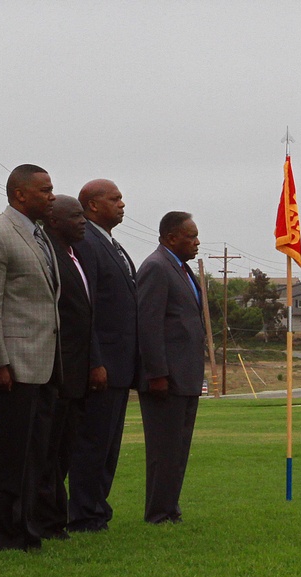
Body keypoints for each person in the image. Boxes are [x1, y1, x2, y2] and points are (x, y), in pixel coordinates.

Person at [0, 164, 60, 551]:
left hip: (44, 361)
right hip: (15, 363)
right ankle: (7, 533)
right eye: (44, 190)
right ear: (20, 194)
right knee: (12, 453)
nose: (51, 196)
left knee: (37, 450)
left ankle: (30, 525)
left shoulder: (39, 236)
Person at [68, 179, 138, 533]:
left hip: (121, 365)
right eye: (115, 199)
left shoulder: (114, 245)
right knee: (93, 442)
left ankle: (97, 508)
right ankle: (84, 513)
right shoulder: (86, 242)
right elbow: (87, 308)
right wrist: (95, 360)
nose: (122, 204)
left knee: (109, 444)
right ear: (92, 205)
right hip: (102, 365)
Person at [136, 211, 205, 524]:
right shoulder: (156, 267)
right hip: (167, 378)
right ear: (171, 237)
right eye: (190, 236)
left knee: (178, 448)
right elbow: (148, 324)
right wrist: (157, 373)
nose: (197, 242)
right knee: (164, 449)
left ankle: (169, 507)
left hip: (187, 375)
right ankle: (159, 512)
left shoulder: (182, 270)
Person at [33, 195, 93, 540]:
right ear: (55, 221)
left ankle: (55, 515)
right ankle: (46, 518)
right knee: (48, 451)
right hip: (55, 367)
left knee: (63, 449)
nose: (83, 221)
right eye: (76, 216)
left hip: (76, 370)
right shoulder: (52, 255)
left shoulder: (74, 255)